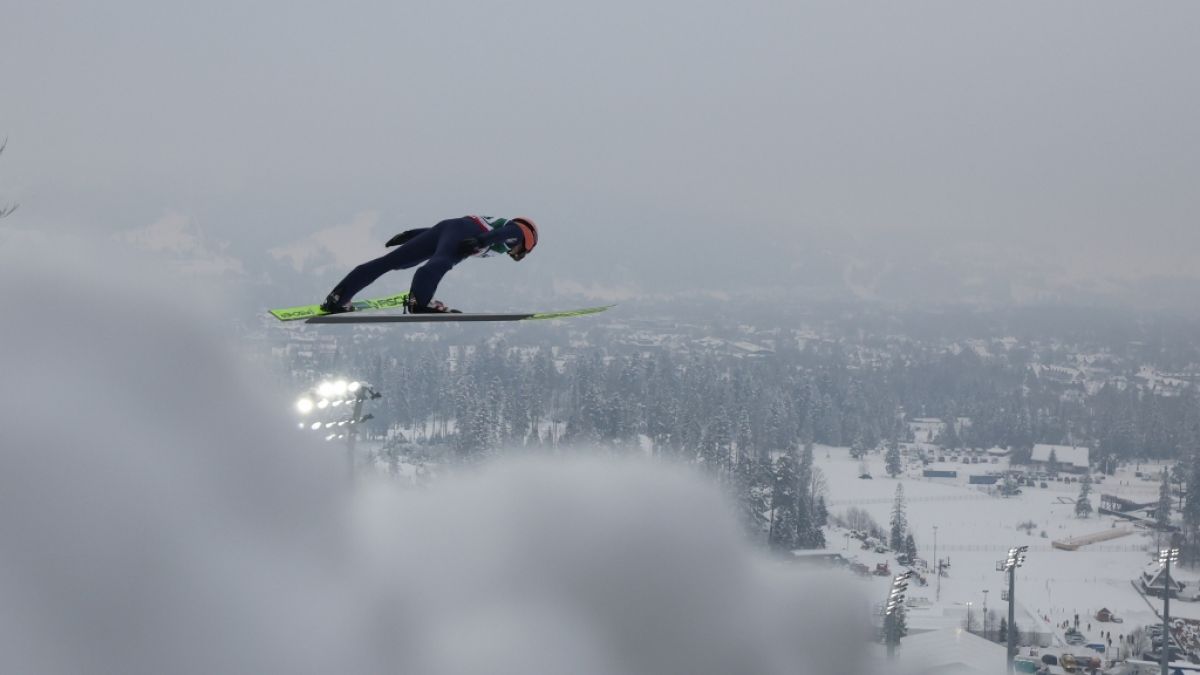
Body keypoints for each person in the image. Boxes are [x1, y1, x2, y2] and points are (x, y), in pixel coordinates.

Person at [319, 215, 539, 314]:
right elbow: (508, 232)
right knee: (441, 263)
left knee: (389, 262)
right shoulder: (517, 233)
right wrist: (480, 241)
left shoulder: (498, 232)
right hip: (464, 235)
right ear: (528, 242)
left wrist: (411, 235)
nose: (516, 254)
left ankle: (338, 297)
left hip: (447, 228)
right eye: (522, 253)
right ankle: (420, 302)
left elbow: (442, 233)